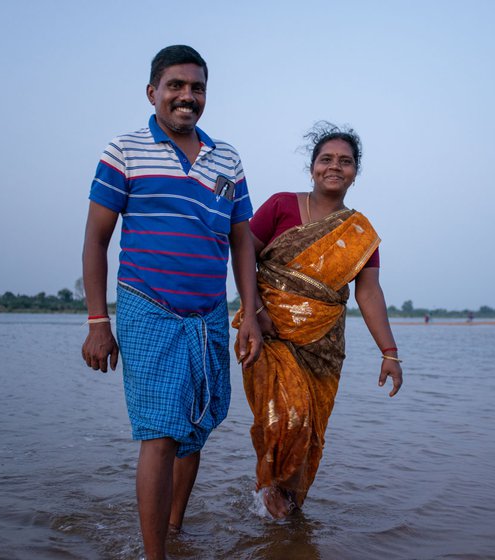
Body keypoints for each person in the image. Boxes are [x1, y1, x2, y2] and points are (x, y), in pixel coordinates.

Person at [80, 45, 262, 559]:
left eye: (197, 88)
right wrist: (98, 322)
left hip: (207, 313)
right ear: (152, 92)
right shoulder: (125, 150)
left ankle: (176, 526)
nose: (187, 96)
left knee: (197, 425)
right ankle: (154, 554)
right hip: (147, 305)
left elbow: (242, 240)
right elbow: (96, 239)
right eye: (176, 86)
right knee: (160, 431)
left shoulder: (226, 158)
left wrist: (247, 314)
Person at [233, 122, 403, 518]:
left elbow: (369, 293)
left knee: (309, 433)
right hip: (266, 333)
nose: (335, 167)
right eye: (326, 159)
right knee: (285, 420)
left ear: (355, 173)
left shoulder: (360, 233)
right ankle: (276, 510)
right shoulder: (280, 205)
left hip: (323, 346)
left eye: (345, 162)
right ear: (312, 168)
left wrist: (390, 352)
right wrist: (254, 313)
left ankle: (284, 511)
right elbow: (243, 254)